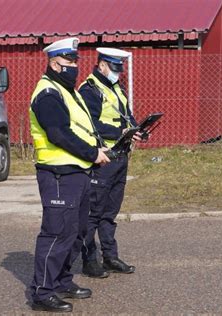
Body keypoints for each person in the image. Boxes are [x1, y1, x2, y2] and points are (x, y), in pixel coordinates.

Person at [29, 38, 110, 313]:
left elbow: (80, 127)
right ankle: (42, 292)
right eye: (69, 62)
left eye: (76, 61)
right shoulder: (48, 93)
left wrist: (97, 147)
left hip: (76, 172)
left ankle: (62, 281)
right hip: (58, 174)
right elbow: (59, 134)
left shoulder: (68, 91)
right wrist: (91, 153)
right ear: (54, 63)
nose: (75, 67)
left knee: (75, 232)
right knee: (56, 233)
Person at [79, 48, 141, 278]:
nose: (118, 72)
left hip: (120, 156)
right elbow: (89, 124)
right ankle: (89, 260)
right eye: (114, 68)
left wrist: (136, 130)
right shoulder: (89, 90)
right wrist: (120, 131)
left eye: (120, 68)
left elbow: (127, 116)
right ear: (102, 65)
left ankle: (110, 256)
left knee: (110, 212)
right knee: (93, 213)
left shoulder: (116, 88)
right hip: (103, 158)